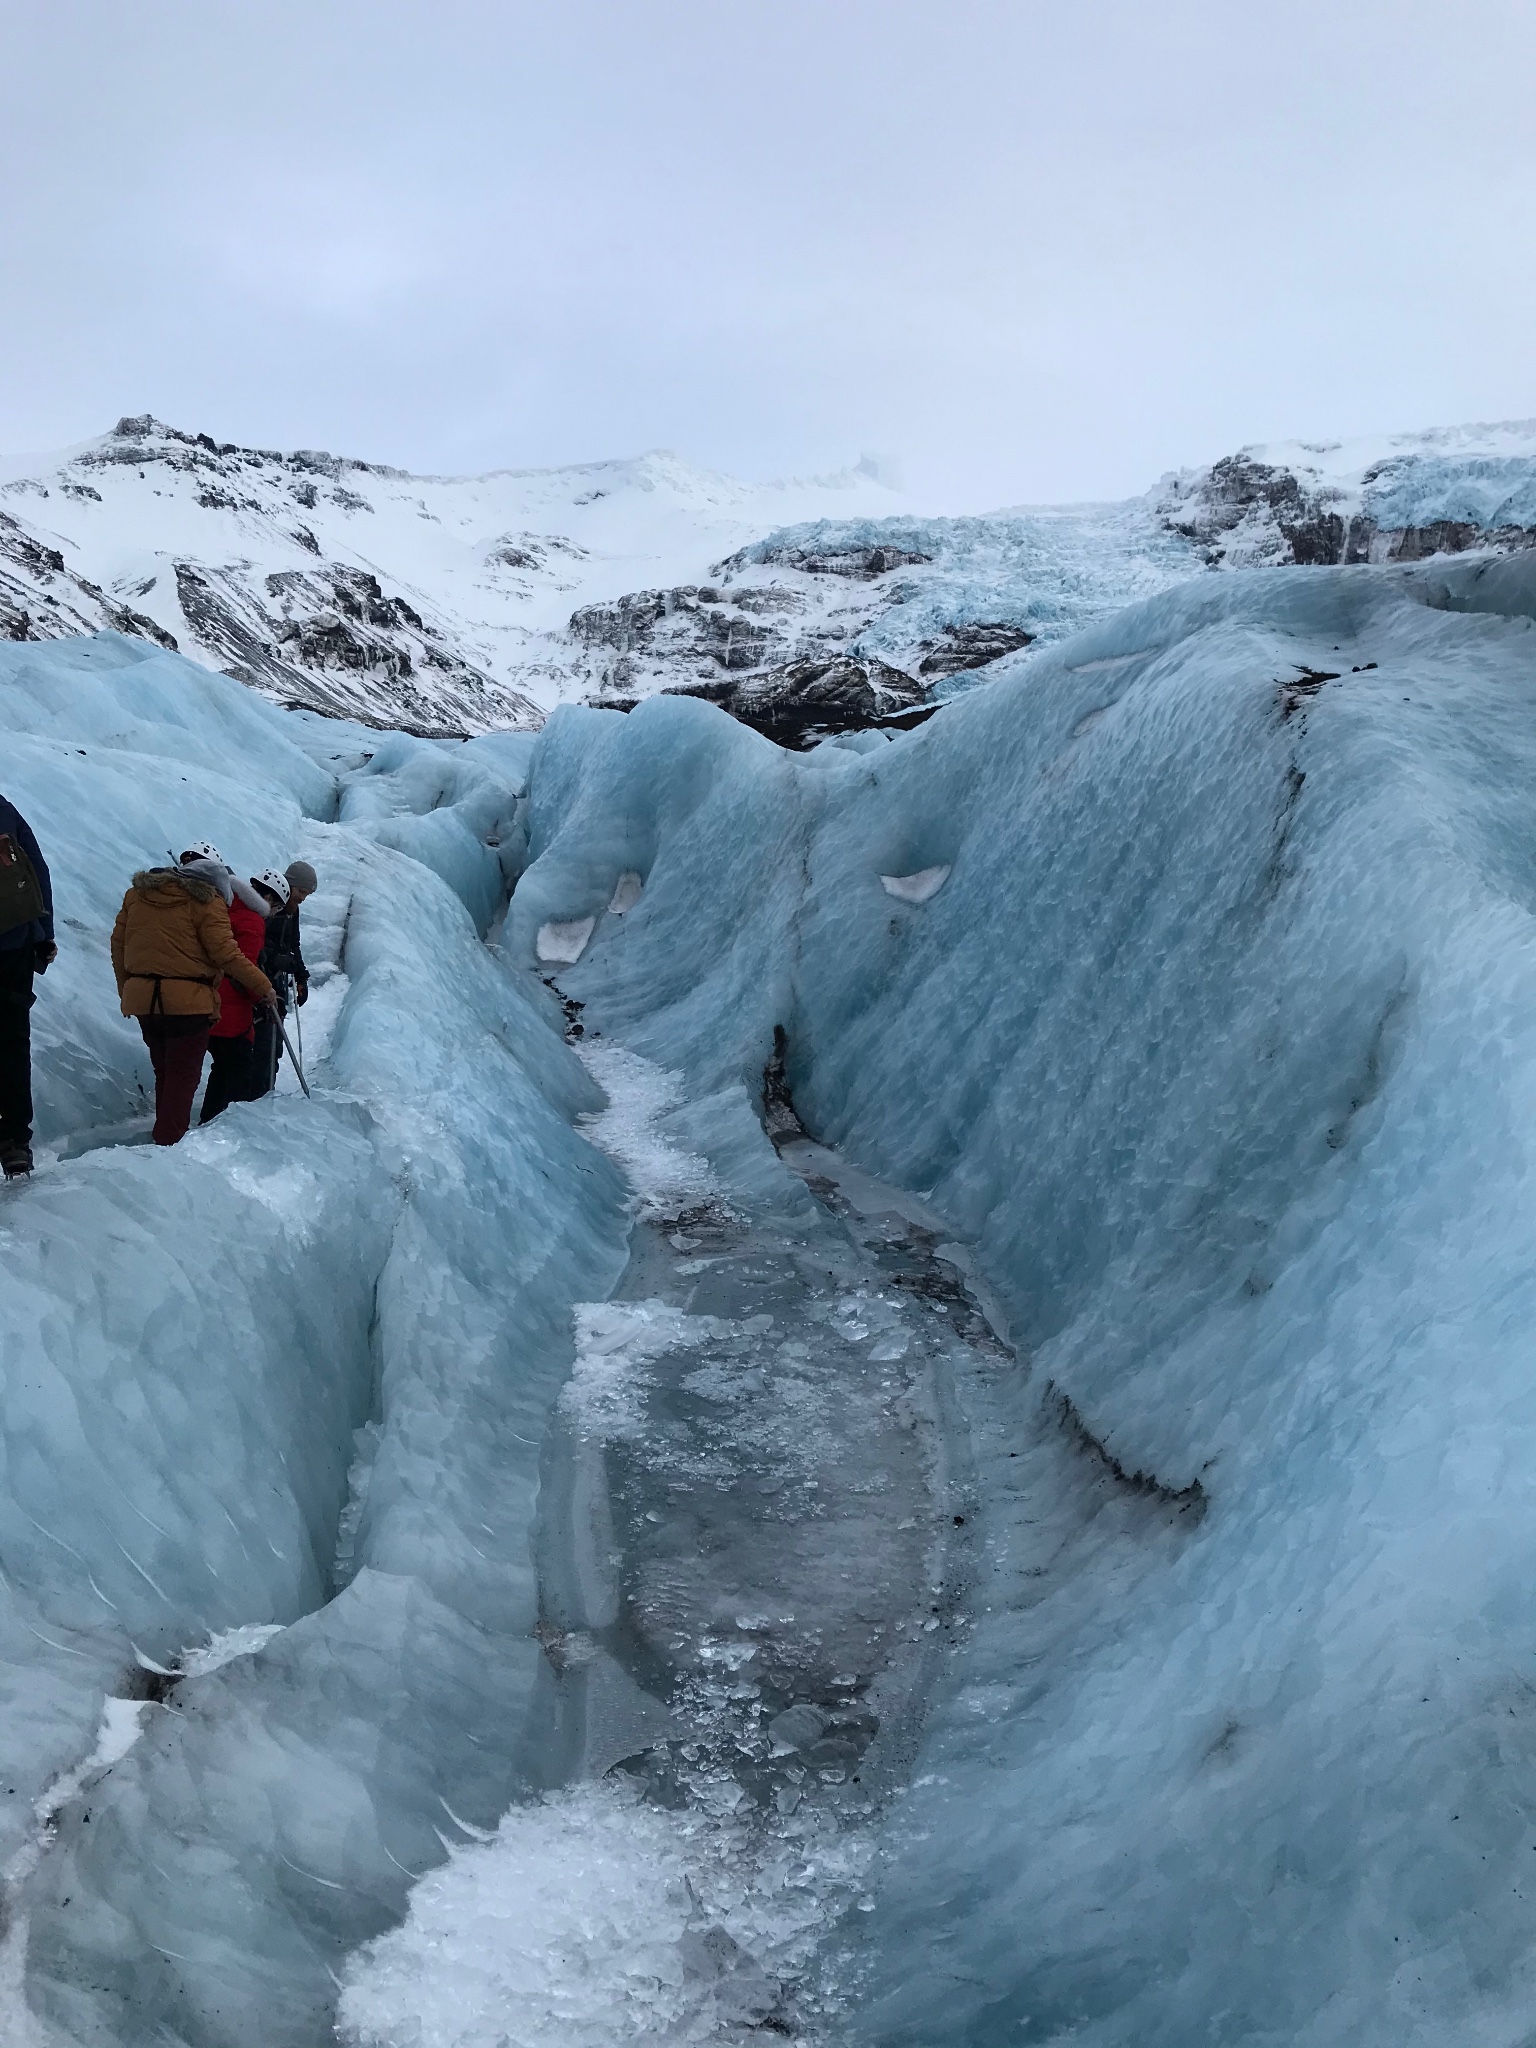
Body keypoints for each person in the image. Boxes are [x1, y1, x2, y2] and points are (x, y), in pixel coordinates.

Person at [110, 843, 274, 1146]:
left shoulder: (138, 895)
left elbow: (119, 944)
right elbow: (227, 954)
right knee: (183, 1078)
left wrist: (128, 989)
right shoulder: (206, 900)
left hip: (144, 1000)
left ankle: (164, 1137)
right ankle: (169, 1146)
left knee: (164, 1071)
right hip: (188, 1004)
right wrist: (264, 987)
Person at [198, 867, 288, 1124]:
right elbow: (244, 967)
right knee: (238, 1071)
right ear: (269, 899)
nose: (275, 914)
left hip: (207, 999)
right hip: (231, 1009)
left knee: (221, 1067)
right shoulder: (252, 919)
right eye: (277, 908)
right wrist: (263, 993)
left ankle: (207, 1121)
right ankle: (227, 1128)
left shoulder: (226, 905)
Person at [0, 793, 55, 1179]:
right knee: (12, 1040)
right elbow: (36, 870)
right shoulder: (3, 809)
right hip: (13, 942)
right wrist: (43, 935)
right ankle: (15, 1141)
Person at [252, 858, 316, 1098]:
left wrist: (301, 976)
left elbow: (293, 945)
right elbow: (254, 941)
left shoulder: (293, 912)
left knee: (273, 1044)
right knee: (264, 1043)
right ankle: (255, 1097)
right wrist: (276, 957)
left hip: (276, 982)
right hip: (259, 981)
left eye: (306, 894)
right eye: (301, 891)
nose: (302, 898)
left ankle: (264, 1093)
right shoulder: (268, 906)